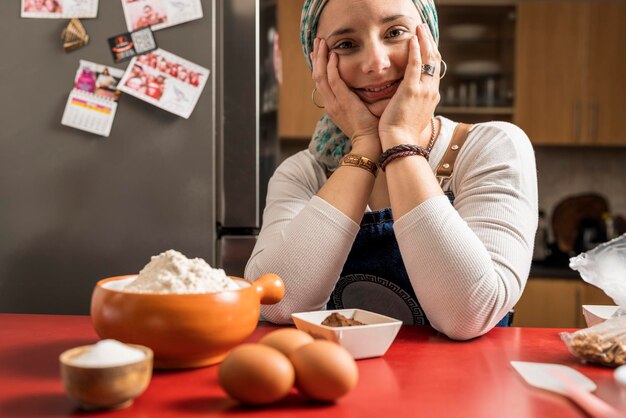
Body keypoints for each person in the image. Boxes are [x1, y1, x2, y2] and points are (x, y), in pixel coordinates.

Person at [245, 0, 538, 341]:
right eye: (346, 44)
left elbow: (468, 313)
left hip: (464, 392)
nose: (376, 63)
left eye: (395, 33)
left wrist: (398, 140)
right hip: (341, 392)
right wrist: (367, 144)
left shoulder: (490, 147)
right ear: (319, 65)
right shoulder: (303, 173)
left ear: (431, 44)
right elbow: (278, 302)